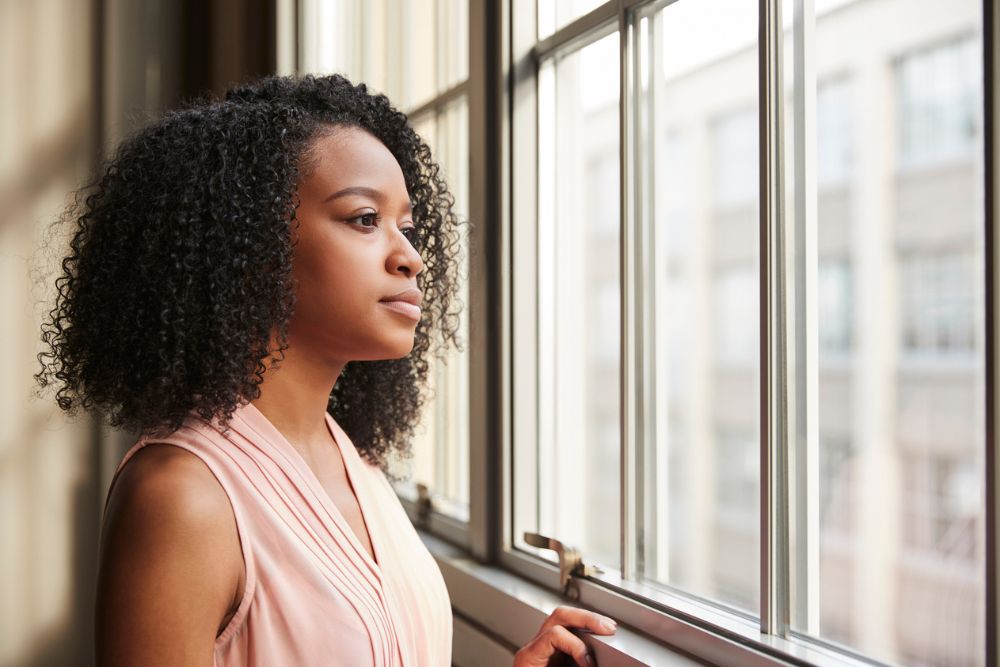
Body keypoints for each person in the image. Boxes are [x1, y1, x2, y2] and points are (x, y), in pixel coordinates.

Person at [36, 74, 617, 666]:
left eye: (407, 227)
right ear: (254, 244)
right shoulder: (182, 498)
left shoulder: (353, 460)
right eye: (365, 219)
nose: (410, 257)